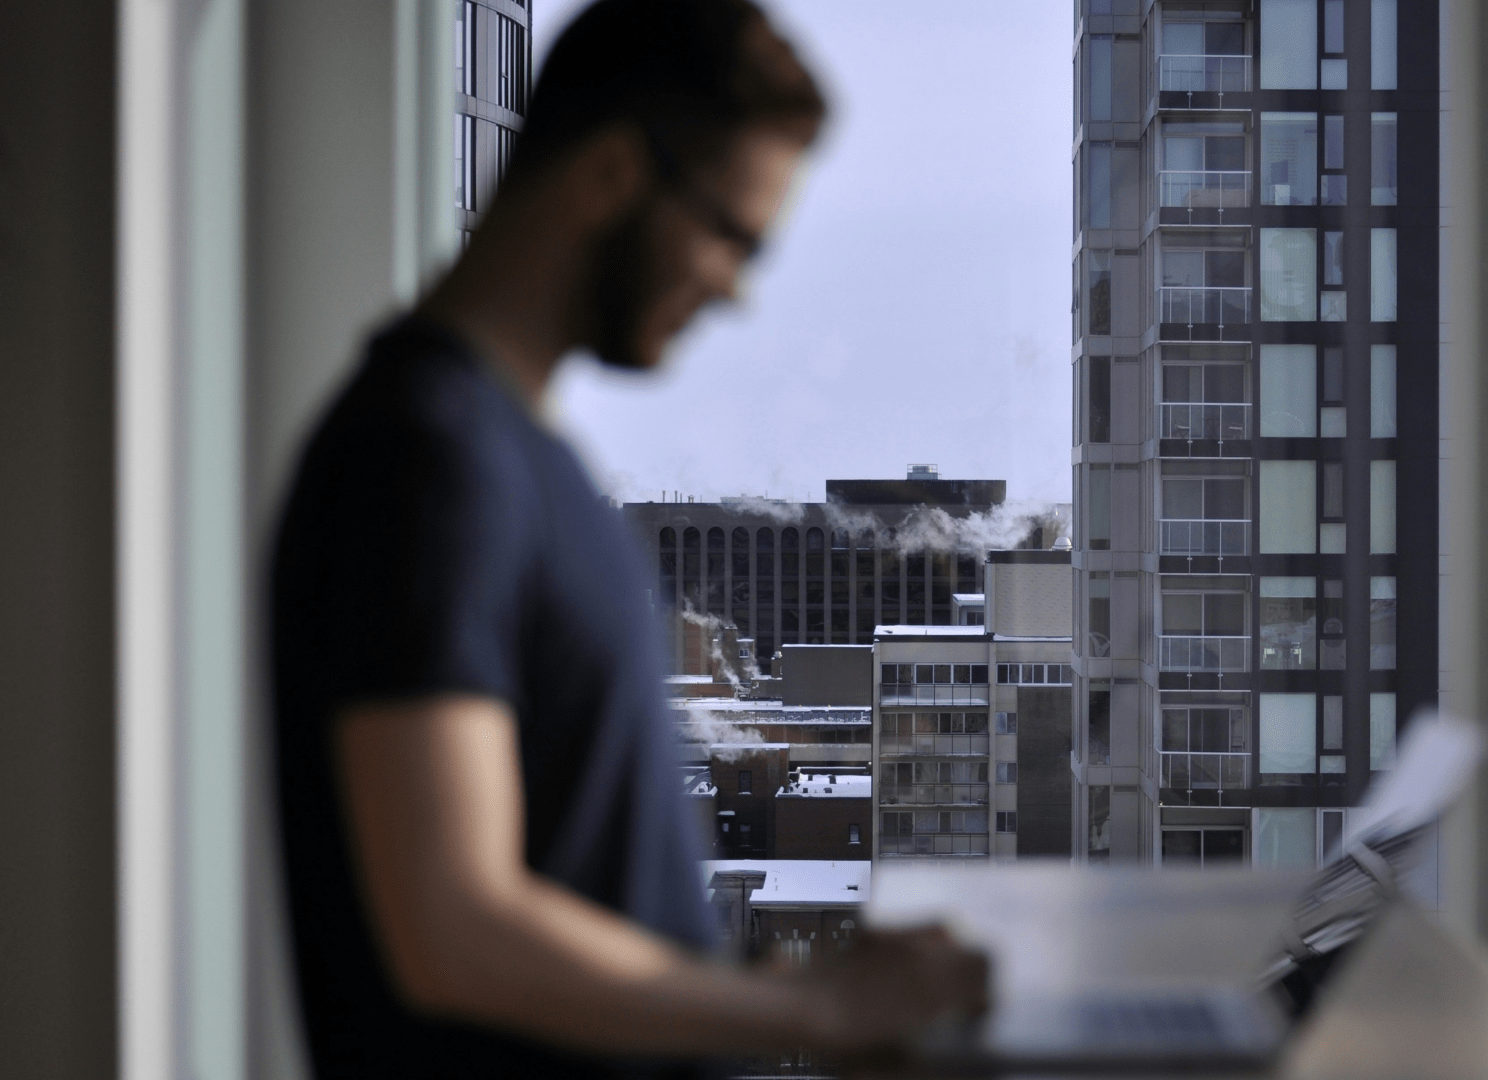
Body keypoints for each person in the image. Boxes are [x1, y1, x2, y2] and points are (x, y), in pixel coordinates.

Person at [270, 2, 986, 1077]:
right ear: (610, 173)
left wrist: (783, 993)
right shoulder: (423, 461)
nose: (736, 290)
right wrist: (813, 1018)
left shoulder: (524, 461)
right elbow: (452, 930)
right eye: (727, 235)